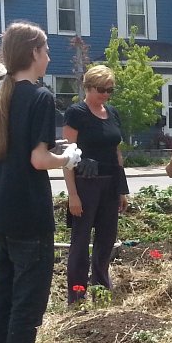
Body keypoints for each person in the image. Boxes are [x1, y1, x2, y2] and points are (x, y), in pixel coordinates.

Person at [0, 21, 85, 343]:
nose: (50, 56)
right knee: (27, 304)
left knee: (0, 298)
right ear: (34, 53)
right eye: (47, 51)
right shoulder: (39, 98)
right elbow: (38, 159)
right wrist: (65, 158)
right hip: (28, 214)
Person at [62, 65, 129, 304]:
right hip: (85, 183)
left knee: (107, 238)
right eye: (101, 89)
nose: (106, 94)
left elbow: (116, 152)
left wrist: (122, 189)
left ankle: (100, 287)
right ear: (88, 87)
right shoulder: (76, 113)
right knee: (80, 240)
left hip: (110, 183)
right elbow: (67, 156)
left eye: (109, 90)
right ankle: (77, 294)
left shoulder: (112, 112)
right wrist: (73, 195)